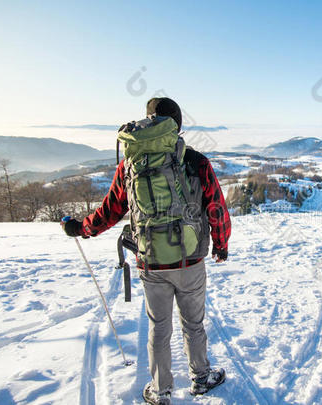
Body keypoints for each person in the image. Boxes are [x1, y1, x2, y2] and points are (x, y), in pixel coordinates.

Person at [61, 97, 231, 405]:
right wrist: (221, 244)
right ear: (176, 125)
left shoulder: (130, 164)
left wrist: (82, 228)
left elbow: (109, 210)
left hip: (151, 261)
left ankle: (160, 389)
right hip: (190, 259)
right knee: (193, 323)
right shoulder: (195, 161)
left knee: (158, 327)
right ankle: (201, 377)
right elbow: (217, 208)